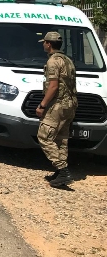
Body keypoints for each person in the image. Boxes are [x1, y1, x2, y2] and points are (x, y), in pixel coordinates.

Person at [35, 31, 78, 188]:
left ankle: (63, 169)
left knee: (44, 136)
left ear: (48, 44)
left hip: (58, 105)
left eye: (44, 42)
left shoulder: (53, 61)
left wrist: (42, 105)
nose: (43, 44)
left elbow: (53, 86)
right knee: (61, 138)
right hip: (70, 105)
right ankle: (60, 174)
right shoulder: (68, 60)